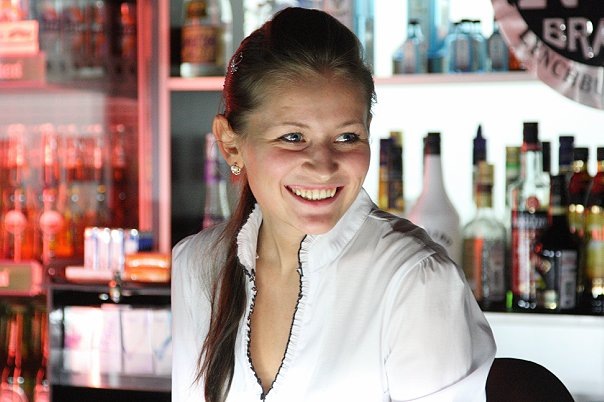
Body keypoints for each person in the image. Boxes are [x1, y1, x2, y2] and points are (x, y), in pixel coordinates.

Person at [171, 7, 496, 402]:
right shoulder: (197, 265)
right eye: (293, 137)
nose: (324, 168)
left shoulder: (415, 279)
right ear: (230, 144)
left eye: (347, 137)